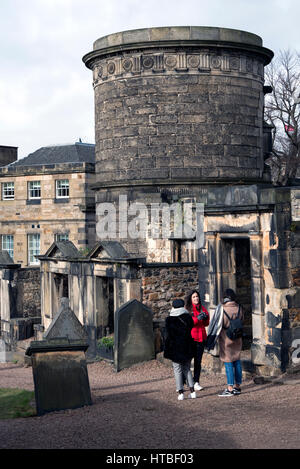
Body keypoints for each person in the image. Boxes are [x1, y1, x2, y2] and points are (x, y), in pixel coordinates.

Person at [164, 298, 196, 400]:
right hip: (187, 345)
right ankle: (192, 391)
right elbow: (191, 327)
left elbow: (167, 334)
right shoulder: (188, 317)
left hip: (175, 347)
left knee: (177, 370)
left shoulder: (169, 319)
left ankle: (181, 393)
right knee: (187, 369)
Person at [217, 288, 244, 397]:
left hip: (226, 338)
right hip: (237, 337)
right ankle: (237, 386)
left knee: (228, 361)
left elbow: (219, 323)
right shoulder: (239, 308)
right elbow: (242, 320)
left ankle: (230, 388)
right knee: (237, 360)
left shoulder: (222, 309)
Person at [185, 290, 209, 391]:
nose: (196, 298)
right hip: (191, 338)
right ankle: (183, 380)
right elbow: (188, 323)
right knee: (187, 361)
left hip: (201, 338)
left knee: (198, 362)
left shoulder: (202, 308)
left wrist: (205, 317)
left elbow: (206, 323)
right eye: (194, 297)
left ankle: (196, 382)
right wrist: (197, 319)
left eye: (197, 297)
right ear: (190, 298)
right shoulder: (187, 310)